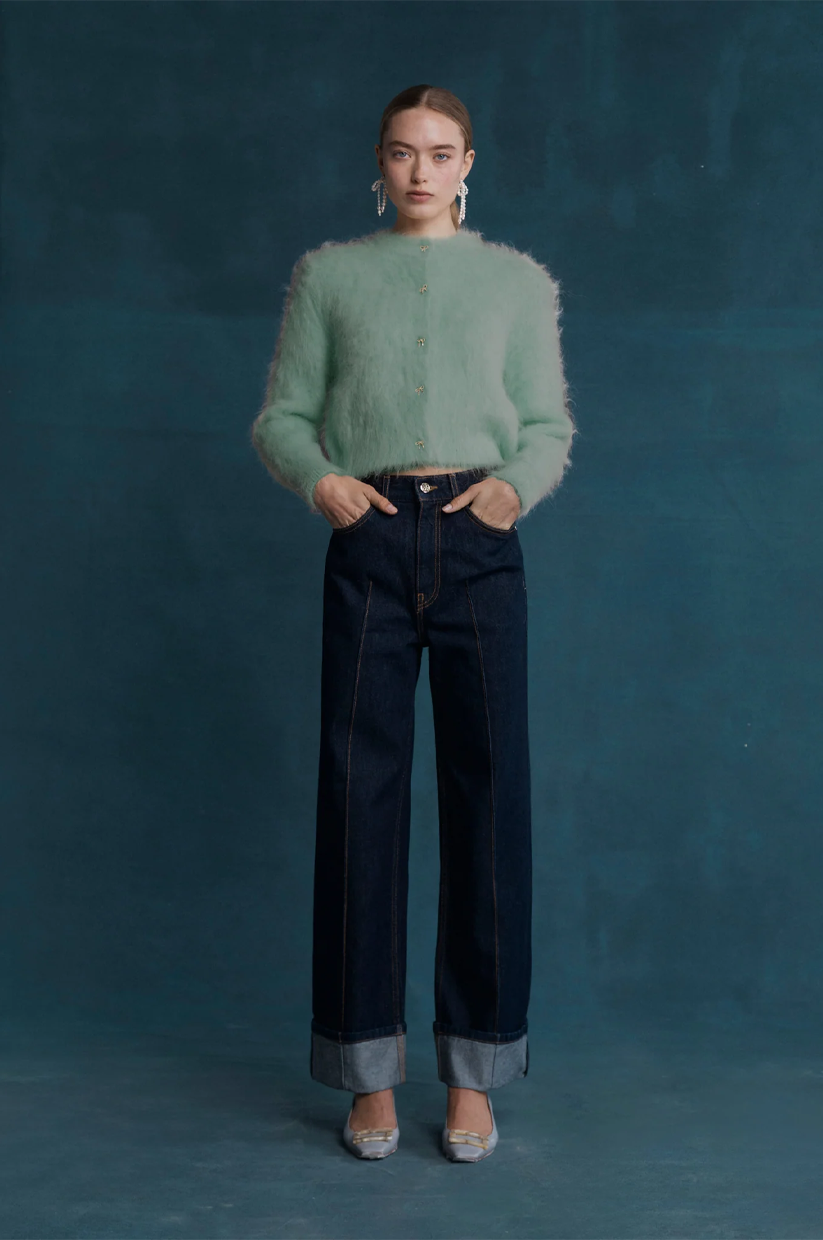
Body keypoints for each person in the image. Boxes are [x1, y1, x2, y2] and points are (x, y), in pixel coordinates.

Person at [251, 84, 576, 1162]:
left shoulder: (517, 282)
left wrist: (512, 489)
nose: (421, 171)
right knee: (360, 798)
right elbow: (285, 416)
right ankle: (368, 1073)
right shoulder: (331, 278)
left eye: (440, 152)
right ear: (379, 165)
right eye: (402, 152)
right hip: (373, 537)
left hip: (480, 540)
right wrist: (323, 484)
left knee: (490, 798)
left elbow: (547, 422)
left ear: (469, 163)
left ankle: (475, 1072)